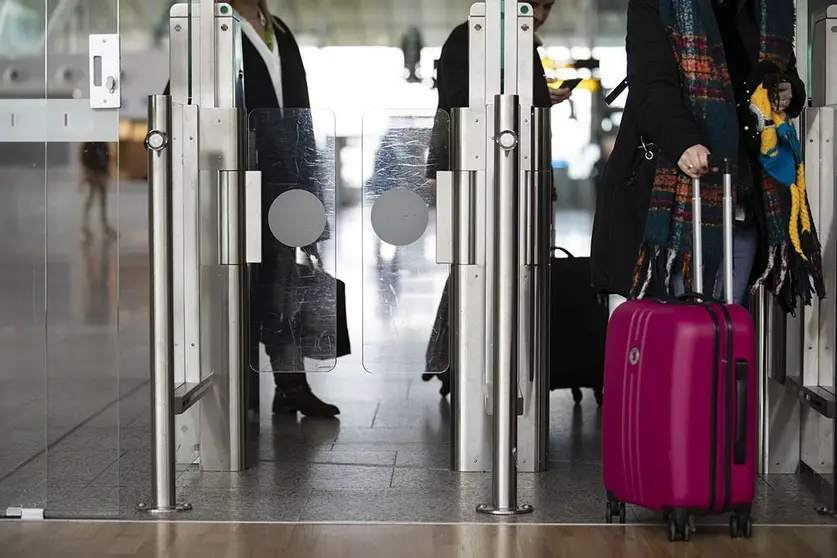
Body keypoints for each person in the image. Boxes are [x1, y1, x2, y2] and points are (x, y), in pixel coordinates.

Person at [590, 0, 824, 313]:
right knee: (674, 321)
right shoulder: (658, 4)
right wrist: (684, 144)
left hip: (745, 188)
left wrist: (789, 90)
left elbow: (783, 72)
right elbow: (651, 84)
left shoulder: (769, 7)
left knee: (726, 321)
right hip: (678, 189)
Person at [166, 0, 341, 417]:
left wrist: (311, 192)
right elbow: (179, 94)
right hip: (235, 179)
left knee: (281, 290)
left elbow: (302, 113)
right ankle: (237, 390)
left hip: (285, 180)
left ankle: (291, 386)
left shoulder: (278, 30)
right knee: (237, 289)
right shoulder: (210, 24)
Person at [423, 0, 571, 396]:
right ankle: (455, 362)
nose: (540, 15)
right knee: (476, 269)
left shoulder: (520, 41)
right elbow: (454, 106)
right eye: (535, 4)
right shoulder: (471, 37)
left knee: (503, 271)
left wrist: (542, 96)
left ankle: (471, 364)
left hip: (518, 177)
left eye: (547, 7)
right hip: (483, 176)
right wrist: (439, 170)